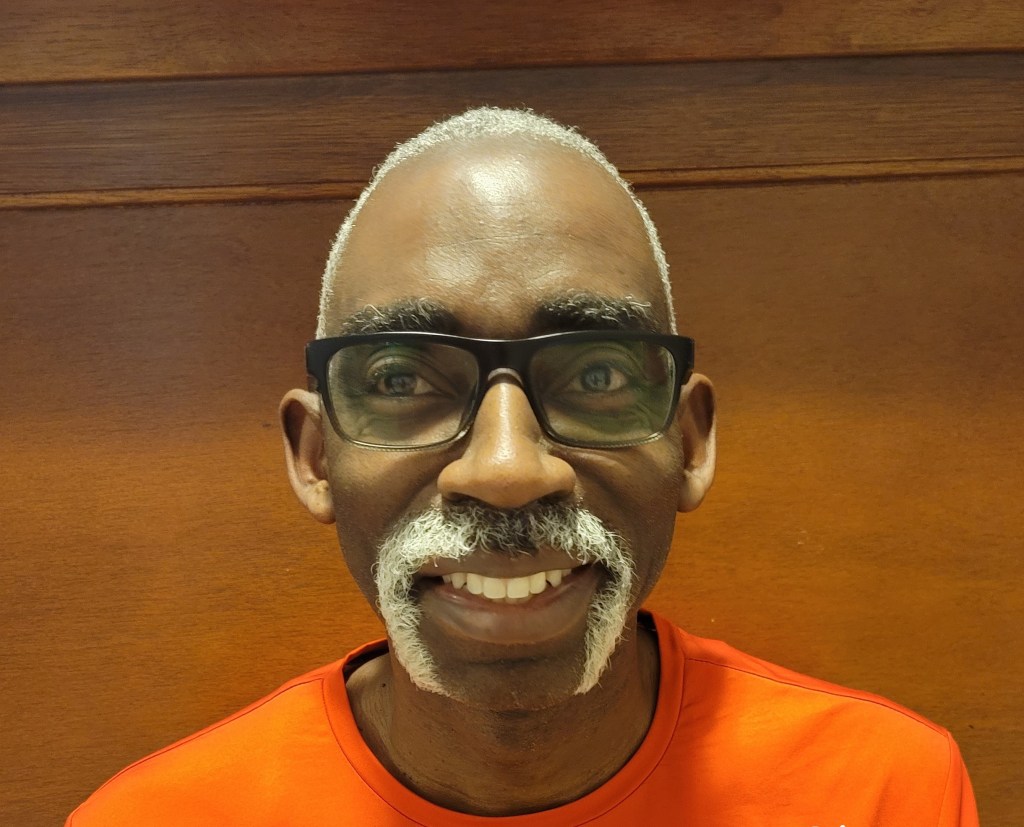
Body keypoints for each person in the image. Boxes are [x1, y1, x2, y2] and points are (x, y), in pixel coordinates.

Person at [68, 107, 978, 825]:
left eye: (596, 374)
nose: (506, 469)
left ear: (690, 442)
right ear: (315, 456)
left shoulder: (885, 792)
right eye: (400, 378)